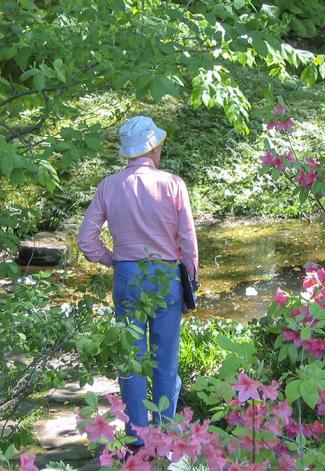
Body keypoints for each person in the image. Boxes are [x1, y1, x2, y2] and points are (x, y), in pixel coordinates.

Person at [76, 116, 198, 448]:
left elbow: (86, 240)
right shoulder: (173, 184)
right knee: (165, 359)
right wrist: (191, 281)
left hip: (127, 277)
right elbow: (187, 242)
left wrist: (113, 259)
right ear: (153, 147)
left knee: (131, 360)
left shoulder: (108, 186)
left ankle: (136, 442)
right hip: (166, 277)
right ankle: (165, 437)